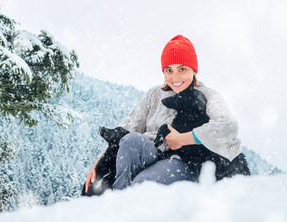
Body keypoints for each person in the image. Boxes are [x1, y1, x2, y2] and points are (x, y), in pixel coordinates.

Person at [85, 34, 243, 192]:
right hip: (152, 154)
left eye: (182, 69)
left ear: (193, 70)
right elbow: (129, 127)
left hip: (184, 160)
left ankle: (133, 197)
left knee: (142, 184)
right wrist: (99, 163)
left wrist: (183, 139)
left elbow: (228, 125)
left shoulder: (207, 96)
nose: (175, 77)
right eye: (169, 70)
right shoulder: (154, 94)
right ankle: (118, 198)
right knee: (131, 139)